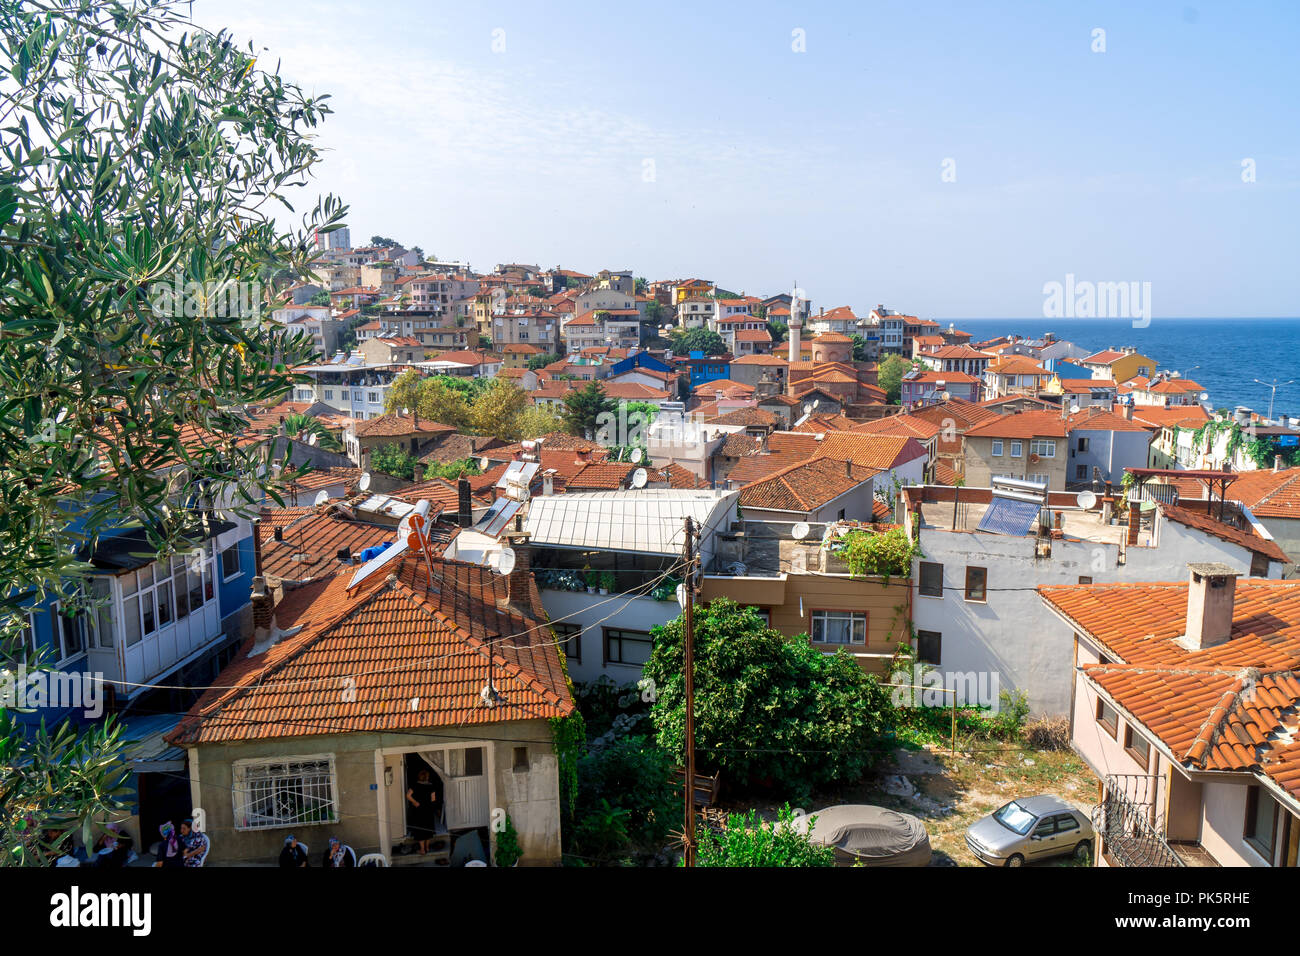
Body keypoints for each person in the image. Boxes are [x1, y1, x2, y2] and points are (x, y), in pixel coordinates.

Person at [406, 767, 438, 854]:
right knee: (428, 829)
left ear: (419, 776)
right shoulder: (431, 786)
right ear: (427, 777)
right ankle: (427, 848)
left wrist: (415, 802)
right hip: (428, 810)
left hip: (418, 810)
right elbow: (433, 799)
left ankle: (422, 850)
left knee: (420, 830)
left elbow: (408, 795)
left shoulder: (415, 785)